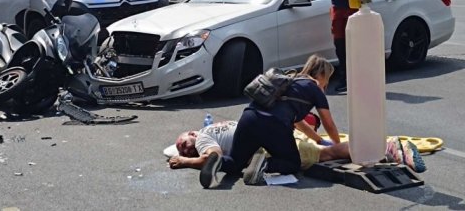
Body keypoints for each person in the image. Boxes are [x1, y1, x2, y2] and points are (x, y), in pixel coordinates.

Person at [198, 54, 342, 189]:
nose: (325, 85)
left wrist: (319, 140)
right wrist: (338, 146)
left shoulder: (289, 79)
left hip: (249, 117)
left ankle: (217, 160)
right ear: (322, 75)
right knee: (292, 163)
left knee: (235, 163)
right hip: (275, 126)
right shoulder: (314, 88)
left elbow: (299, 124)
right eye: (327, 81)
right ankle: (264, 164)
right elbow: (328, 124)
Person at [169, 117, 426, 174]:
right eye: (182, 150)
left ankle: (388, 146)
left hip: (270, 144)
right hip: (275, 132)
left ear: (192, 132)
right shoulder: (217, 127)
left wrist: (185, 161)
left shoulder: (204, 136)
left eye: (183, 144)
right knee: (324, 151)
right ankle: (381, 149)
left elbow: (211, 157)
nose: (185, 148)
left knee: (327, 154)